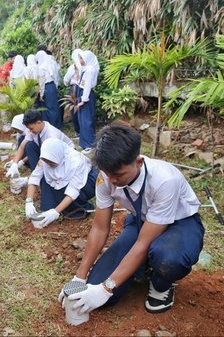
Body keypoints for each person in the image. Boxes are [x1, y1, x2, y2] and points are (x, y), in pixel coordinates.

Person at [60, 123, 204, 315]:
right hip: (143, 221)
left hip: (180, 224)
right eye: (108, 174)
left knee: (168, 259)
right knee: (100, 296)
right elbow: (100, 228)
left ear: (139, 162)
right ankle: (141, 267)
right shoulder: (106, 177)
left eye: (118, 175)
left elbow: (143, 243)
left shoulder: (165, 180)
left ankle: (162, 284)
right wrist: (79, 277)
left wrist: (106, 288)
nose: (112, 180)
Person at [25, 138, 98, 226]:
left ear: (58, 155)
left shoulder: (76, 162)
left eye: (51, 161)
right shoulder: (45, 158)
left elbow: (73, 191)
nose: (48, 163)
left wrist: (55, 212)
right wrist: (29, 201)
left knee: (68, 206)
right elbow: (34, 178)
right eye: (46, 161)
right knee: (47, 208)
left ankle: (78, 206)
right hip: (60, 182)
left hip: (86, 182)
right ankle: (59, 205)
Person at [6, 109, 74, 178]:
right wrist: (15, 164)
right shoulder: (34, 130)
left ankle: (40, 177)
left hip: (66, 156)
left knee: (52, 173)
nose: (30, 131)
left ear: (38, 123)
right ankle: (36, 174)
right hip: (48, 152)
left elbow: (48, 158)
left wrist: (30, 178)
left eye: (31, 129)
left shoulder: (52, 136)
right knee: (29, 146)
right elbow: (22, 147)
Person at [75, 50, 99, 153]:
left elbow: (87, 86)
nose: (80, 60)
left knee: (86, 120)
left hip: (86, 96)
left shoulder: (90, 70)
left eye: (82, 58)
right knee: (83, 120)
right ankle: (85, 143)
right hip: (84, 94)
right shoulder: (87, 68)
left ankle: (89, 145)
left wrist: (83, 101)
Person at [35, 50, 62, 129]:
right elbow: (56, 77)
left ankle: (51, 126)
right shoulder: (51, 64)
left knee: (48, 108)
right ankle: (57, 125)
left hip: (46, 87)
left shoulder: (41, 67)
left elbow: (42, 82)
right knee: (54, 107)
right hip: (52, 86)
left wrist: (41, 94)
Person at [63, 49, 83, 137]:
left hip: (74, 89)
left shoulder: (72, 67)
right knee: (84, 109)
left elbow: (66, 80)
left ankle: (78, 131)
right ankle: (84, 130)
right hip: (84, 89)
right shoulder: (87, 65)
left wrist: (67, 84)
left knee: (74, 110)